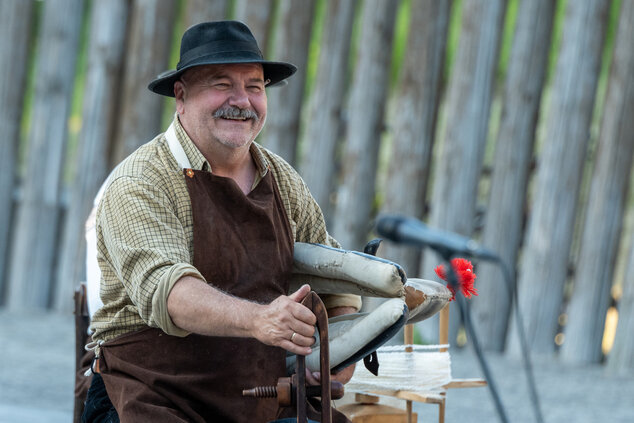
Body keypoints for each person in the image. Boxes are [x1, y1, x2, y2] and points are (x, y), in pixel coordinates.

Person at [82, 21, 360, 422]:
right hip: (153, 399)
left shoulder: (281, 178)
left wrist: (339, 354)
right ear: (181, 96)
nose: (241, 101)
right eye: (221, 84)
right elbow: (169, 292)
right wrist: (260, 320)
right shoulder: (140, 181)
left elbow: (335, 275)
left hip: (260, 404)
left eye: (254, 86)